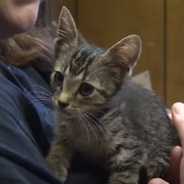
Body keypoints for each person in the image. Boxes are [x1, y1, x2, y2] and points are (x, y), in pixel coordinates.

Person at [0, 1, 183, 184]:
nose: (63, 99)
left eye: (86, 89)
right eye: (60, 79)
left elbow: (131, 160)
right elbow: (64, 141)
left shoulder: (30, 56)